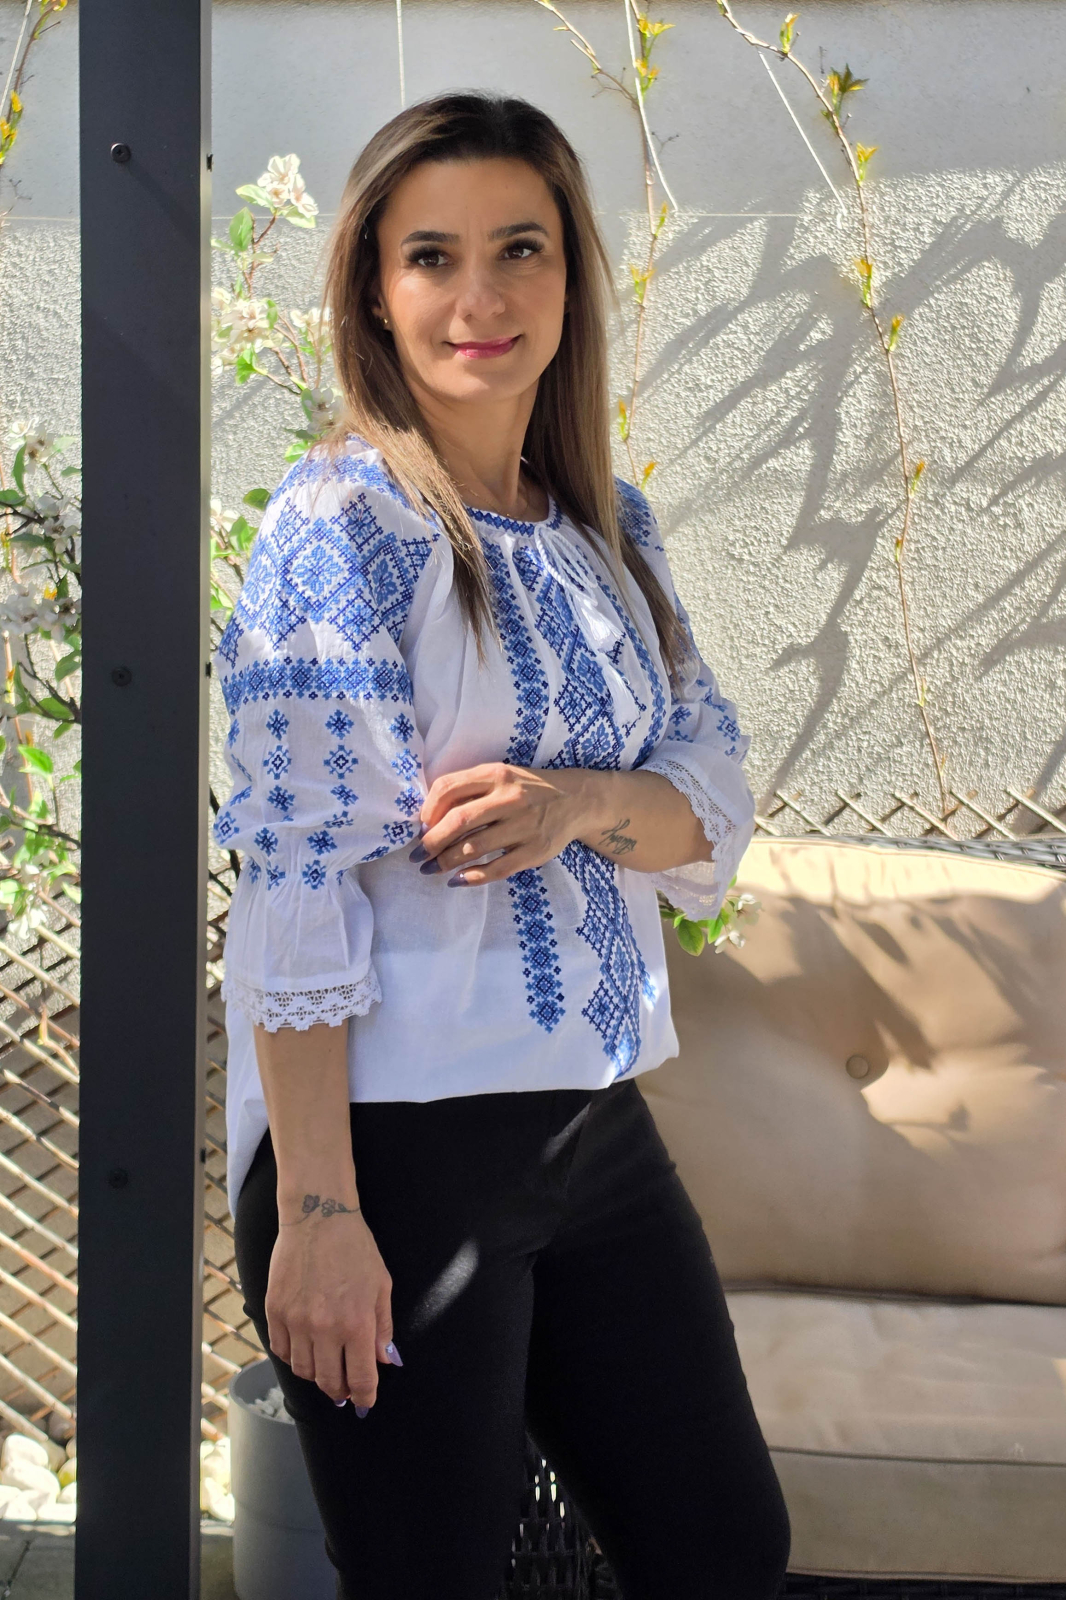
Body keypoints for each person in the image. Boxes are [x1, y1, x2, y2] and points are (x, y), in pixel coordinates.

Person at [218, 90, 789, 1600]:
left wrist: (581, 803)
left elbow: (708, 800)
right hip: (396, 1146)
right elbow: (296, 874)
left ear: (569, 275)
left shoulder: (612, 528)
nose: (479, 297)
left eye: (519, 248)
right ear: (374, 289)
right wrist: (319, 1209)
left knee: (725, 1550)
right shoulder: (341, 526)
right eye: (432, 256)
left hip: (594, 1125)